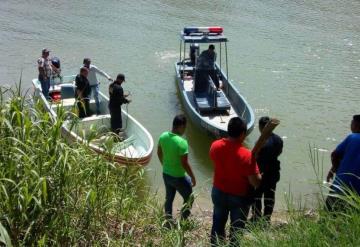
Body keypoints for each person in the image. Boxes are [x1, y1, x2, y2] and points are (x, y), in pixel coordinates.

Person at [209, 117, 261, 246]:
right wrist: (260, 174)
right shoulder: (247, 155)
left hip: (218, 192)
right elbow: (255, 182)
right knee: (236, 231)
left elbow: (214, 159)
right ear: (243, 134)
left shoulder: (215, 146)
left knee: (217, 225)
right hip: (239, 198)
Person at [157, 114, 196, 223]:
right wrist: (193, 177)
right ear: (181, 126)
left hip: (166, 174)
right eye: (185, 127)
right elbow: (185, 163)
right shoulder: (182, 143)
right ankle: (183, 220)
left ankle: (168, 219)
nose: (185, 130)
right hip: (178, 177)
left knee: (169, 198)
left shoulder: (163, 136)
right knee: (189, 198)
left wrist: (164, 165)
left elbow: (159, 153)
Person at [251, 116, 283, 224]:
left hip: (262, 172)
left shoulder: (260, 143)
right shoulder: (278, 140)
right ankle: (266, 219)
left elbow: (256, 157)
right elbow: (279, 153)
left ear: (261, 127)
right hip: (273, 171)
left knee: (257, 196)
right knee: (270, 197)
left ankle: (256, 217)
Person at [326, 115, 360, 211]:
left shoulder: (352, 137)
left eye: (352, 123)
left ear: (356, 125)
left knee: (328, 214)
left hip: (342, 185)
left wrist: (334, 168)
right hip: (357, 194)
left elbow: (335, 154)